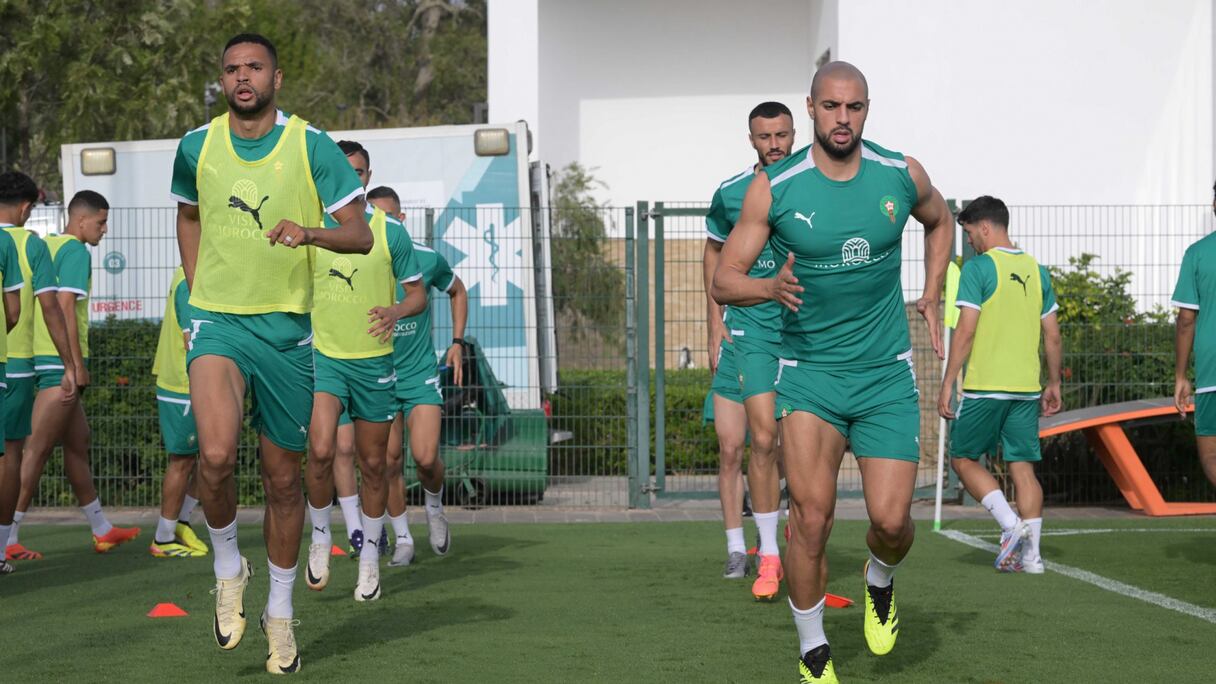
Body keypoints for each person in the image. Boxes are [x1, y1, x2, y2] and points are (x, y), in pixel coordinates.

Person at [711, 62, 953, 682]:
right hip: (811, 376)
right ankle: (813, 649)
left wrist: (930, 292)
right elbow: (723, 278)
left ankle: (880, 578)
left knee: (893, 523)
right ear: (811, 108)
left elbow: (941, 220)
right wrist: (767, 287)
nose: (842, 119)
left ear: (867, 110)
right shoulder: (777, 187)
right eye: (830, 107)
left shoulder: (900, 173)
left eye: (855, 107)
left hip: (885, 376)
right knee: (811, 519)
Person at [172, 33, 373, 674]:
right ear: (222, 79)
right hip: (217, 323)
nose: (242, 77)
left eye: (253, 67)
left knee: (286, 481)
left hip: (287, 332)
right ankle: (229, 566)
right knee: (214, 454)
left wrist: (308, 232)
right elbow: (190, 214)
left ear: (277, 77)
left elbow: (361, 234)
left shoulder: (310, 145)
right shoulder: (196, 145)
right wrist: (197, 291)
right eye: (231, 69)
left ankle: (279, 612)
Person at [303, 141, 425, 602]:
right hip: (325, 358)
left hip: (374, 362)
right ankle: (320, 537)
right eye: (341, 170)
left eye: (356, 172)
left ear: (366, 177)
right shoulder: (313, 232)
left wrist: (397, 310)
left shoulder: (389, 231)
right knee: (319, 450)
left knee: (376, 464)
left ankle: (371, 556)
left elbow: (417, 293)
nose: (349, 178)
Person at [937, 196, 1062, 574]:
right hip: (1026, 389)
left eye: (970, 233)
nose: (970, 241)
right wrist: (1053, 382)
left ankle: (1010, 526)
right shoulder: (1037, 270)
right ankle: (1033, 558)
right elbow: (1052, 336)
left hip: (986, 387)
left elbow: (966, 331)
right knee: (1023, 469)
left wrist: (947, 384)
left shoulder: (978, 269)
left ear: (986, 227)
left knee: (962, 458)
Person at [14, 190, 140, 555]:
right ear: (80, 220)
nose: (105, 230)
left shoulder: (49, 246)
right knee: (34, 452)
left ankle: (101, 527)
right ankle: (7, 538)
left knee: (78, 440)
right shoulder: (75, 251)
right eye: (101, 222)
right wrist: (76, 364)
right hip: (59, 363)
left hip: (45, 356)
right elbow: (65, 307)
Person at [702, 101, 794, 598]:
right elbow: (714, 251)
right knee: (732, 446)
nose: (774, 144)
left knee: (773, 445)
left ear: (794, 133)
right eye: (765, 136)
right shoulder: (732, 192)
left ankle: (777, 547)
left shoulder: (808, 185)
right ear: (751, 139)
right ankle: (740, 546)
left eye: (782, 135)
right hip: (742, 333)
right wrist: (714, 323)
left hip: (792, 337)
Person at [365, 185, 467, 566]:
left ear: (401, 220)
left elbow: (457, 291)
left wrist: (457, 341)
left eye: (387, 216)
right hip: (377, 373)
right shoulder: (360, 260)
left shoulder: (426, 258)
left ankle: (435, 506)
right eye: (372, 215)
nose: (380, 223)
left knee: (425, 458)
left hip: (418, 373)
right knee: (388, 461)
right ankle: (403, 539)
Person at [0, 172, 78, 563]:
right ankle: (2, 547)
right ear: (27, 207)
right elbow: (49, 307)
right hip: (13, 365)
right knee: (10, 454)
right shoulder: (28, 245)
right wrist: (69, 364)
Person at [148, 266, 209, 558]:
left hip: (189, 384)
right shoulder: (190, 279)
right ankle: (163, 538)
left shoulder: (191, 272)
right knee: (182, 461)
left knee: (211, 457)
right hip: (183, 386)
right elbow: (191, 340)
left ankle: (181, 522)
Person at [1173, 181, 1216, 487]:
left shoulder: (1198, 254)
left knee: (1211, 455)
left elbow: (1186, 320)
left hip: (1211, 371)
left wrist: (1181, 376)